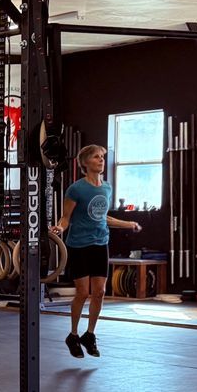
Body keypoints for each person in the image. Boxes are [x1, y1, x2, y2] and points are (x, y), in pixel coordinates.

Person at [52, 144, 141, 358]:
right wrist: (59, 228)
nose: (101, 160)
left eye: (102, 156)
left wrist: (128, 224)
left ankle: (89, 334)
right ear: (85, 163)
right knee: (83, 293)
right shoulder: (76, 189)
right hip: (79, 245)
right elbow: (66, 217)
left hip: (100, 244)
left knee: (99, 292)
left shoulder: (107, 188)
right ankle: (73, 335)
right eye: (96, 157)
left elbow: (103, 217)